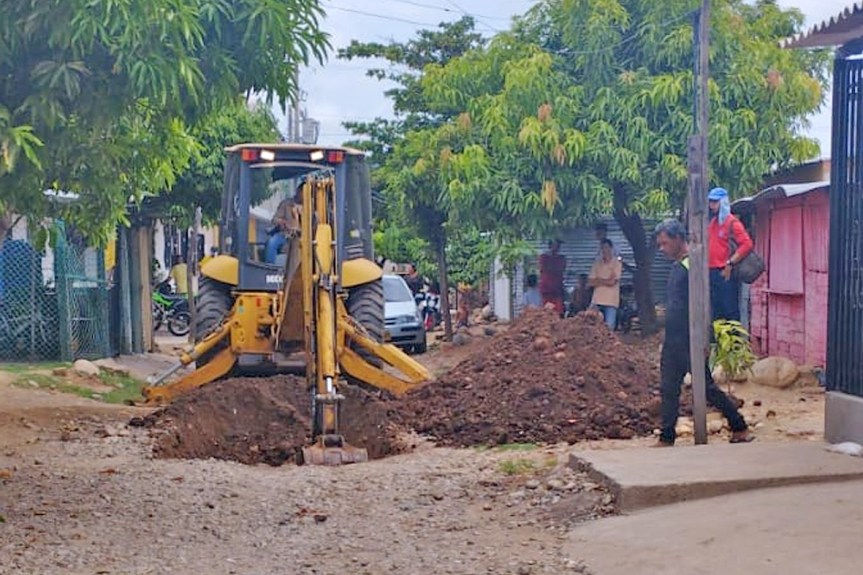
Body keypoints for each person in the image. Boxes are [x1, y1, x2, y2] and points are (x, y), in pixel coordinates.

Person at [654, 219, 754, 447]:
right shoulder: (677, 266)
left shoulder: (694, 266)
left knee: (706, 388)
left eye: (665, 243)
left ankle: (739, 426)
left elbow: (705, 304)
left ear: (678, 239)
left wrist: (705, 339)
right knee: (668, 389)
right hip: (673, 340)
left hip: (690, 339)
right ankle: (666, 437)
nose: (662, 249)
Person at [707, 187, 753, 322]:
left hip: (725, 271)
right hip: (712, 271)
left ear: (722, 202)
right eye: (710, 202)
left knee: (730, 309)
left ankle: (734, 336)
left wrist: (730, 263)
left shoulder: (732, 222)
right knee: (717, 311)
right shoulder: (713, 222)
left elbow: (747, 244)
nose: (711, 205)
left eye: (715, 202)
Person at [588, 239, 622, 329]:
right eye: (602, 248)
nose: (604, 250)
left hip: (611, 301)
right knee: (590, 326)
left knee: (609, 328)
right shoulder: (597, 264)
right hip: (596, 300)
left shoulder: (617, 263)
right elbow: (590, 282)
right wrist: (606, 280)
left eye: (606, 247)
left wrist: (598, 280)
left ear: (611, 248)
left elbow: (612, 282)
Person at [265, 183, 303, 264]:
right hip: (285, 235)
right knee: (272, 242)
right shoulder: (286, 204)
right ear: (298, 191)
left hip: (303, 238)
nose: (303, 195)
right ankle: (270, 267)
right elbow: (275, 219)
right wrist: (283, 223)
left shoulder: (310, 206)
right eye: (302, 192)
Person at [539, 239, 566, 315]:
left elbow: (561, 269)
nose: (558, 247)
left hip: (557, 290)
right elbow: (544, 269)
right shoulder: (544, 257)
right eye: (556, 245)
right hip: (547, 289)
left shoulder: (561, 258)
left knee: (558, 311)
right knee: (547, 311)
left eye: (559, 245)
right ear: (550, 245)